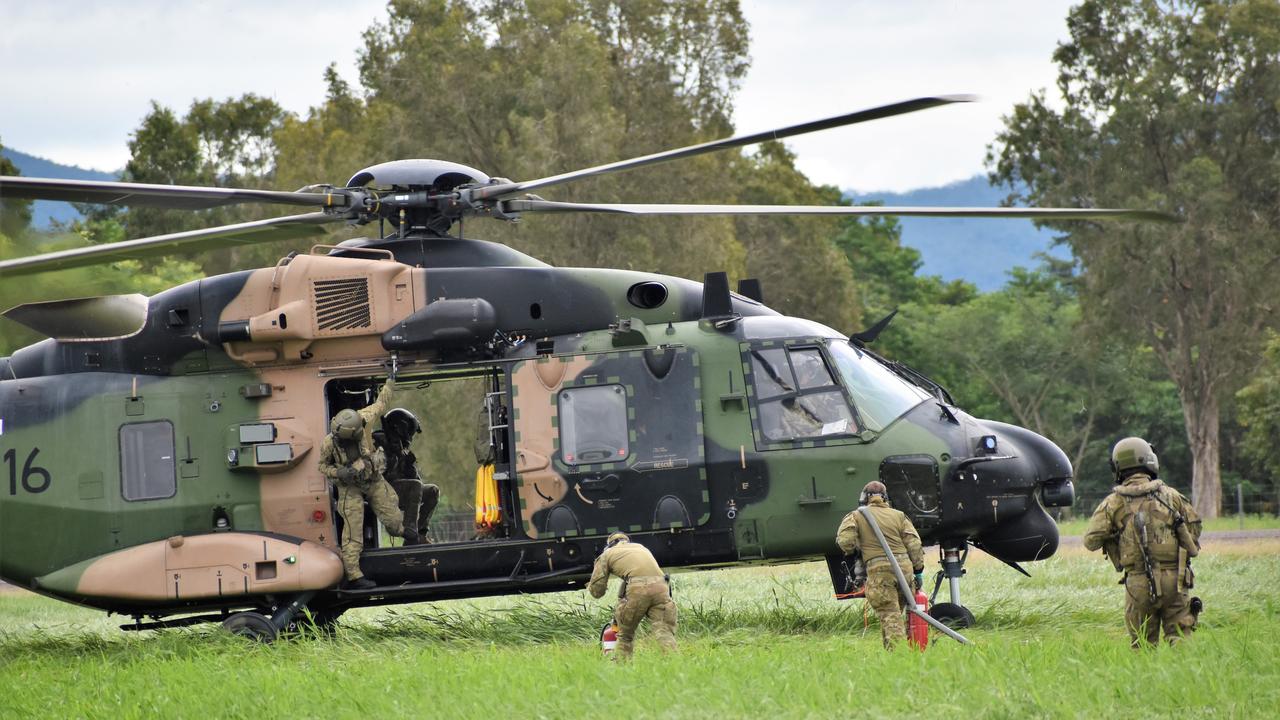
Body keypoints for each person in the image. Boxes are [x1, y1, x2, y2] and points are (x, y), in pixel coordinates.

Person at [1083, 436, 1202, 647]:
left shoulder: (1112, 503)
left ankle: (1146, 679)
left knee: (1143, 645)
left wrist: (1115, 536)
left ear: (1118, 467)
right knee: (1181, 638)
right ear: (1150, 461)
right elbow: (1194, 530)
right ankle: (1188, 677)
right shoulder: (1172, 496)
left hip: (1138, 583)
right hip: (1176, 580)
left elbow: (1091, 541)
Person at [318, 378, 418, 590]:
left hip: (373, 478)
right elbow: (322, 467)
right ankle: (354, 576)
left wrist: (391, 380)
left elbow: (382, 402)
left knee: (391, 514)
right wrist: (340, 472)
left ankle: (400, 530)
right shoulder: (328, 443)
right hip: (349, 486)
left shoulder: (365, 418)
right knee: (353, 531)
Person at [835, 480, 924, 649]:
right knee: (895, 614)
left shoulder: (856, 515)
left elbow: (845, 542)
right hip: (905, 571)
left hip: (880, 572)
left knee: (890, 615)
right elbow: (914, 545)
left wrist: (857, 549)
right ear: (885, 498)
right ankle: (892, 653)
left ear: (864, 498)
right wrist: (918, 571)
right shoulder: (899, 515)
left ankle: (898, 655)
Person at [587, 533, 677, 660]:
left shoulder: (607, 554)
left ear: (609, 544)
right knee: (665, 633)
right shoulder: (641, 547)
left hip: (638, 590)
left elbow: (597, 591)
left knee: (625, 636)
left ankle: (622, 670)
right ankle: (674, 666)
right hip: (662, 587)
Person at [373, 407, 440, 543]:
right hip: (382, 491)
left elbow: (415, 481)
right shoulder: (378, 442)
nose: (411, 435)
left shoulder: (400, 445)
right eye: (410, 431)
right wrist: (392, 456)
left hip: (399, 491)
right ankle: (410, 532)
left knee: (432, 490)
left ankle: (420, 534)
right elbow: (375, 474)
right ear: (401, 428)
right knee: (414, 486)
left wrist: (410, 465)